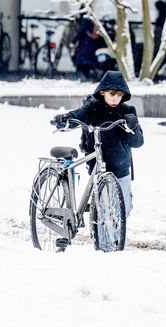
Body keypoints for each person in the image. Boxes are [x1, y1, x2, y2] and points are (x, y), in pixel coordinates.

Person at [51, 71, 143, 217]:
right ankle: (106, 239)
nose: (115, 98)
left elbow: (138, 142)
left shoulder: (127, 112)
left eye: (119, 95)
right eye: (112, 94)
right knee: (103, 210)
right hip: (97, 165)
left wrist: (133, 127)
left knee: (123, 210)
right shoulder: (92, 108)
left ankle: (115, 238)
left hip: (120, 167)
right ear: (102, 92)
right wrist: (66, 119)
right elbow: (79, 115)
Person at [72, 16, 107, 81]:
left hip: (86, 48)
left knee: (83, 65)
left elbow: (80, 32)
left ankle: (85, 77)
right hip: (97, 48)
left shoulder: (86, 21)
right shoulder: (103, 21)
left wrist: (73, 41)